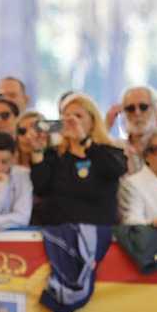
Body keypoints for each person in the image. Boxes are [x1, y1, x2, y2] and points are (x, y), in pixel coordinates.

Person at [30, 94, 128, 225]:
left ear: (93, 122)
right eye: (66, 116)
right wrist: (37, 150)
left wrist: (84, 141)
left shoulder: (108, 151)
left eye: (78, 116)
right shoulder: (54, 155)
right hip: (60, 230)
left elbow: (116, 169)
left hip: (100, 230)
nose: (71, 121)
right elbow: (40, 188)